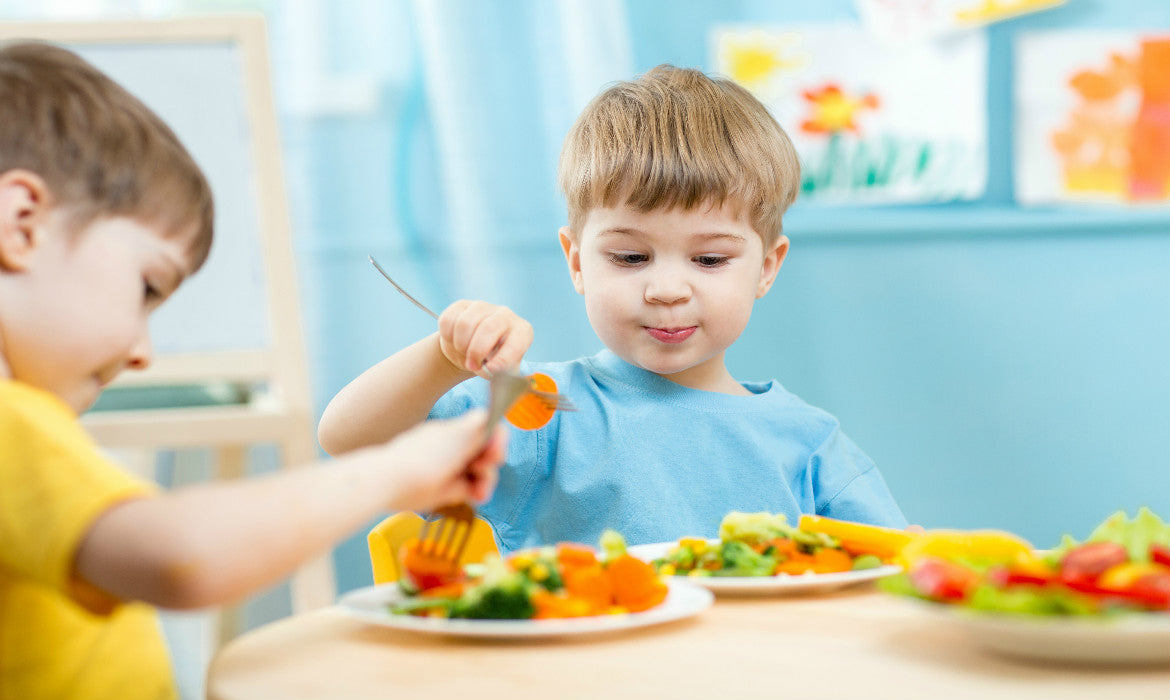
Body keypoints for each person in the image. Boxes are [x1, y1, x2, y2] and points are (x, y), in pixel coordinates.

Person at [0, 42, 507, 700]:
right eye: (148, 288)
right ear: (21, 223)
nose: (142, 351)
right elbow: (180, 557)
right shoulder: (14, 424)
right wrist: (396, 470)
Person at [318, 64, 906, 554]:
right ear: (577, 262)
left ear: (767, 267)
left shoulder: (807, 441)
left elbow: (895, 572)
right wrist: (444, 358)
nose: (667, 290)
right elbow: (350, 441)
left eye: (708, 261)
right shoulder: (542, 415)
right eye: (630, 257)